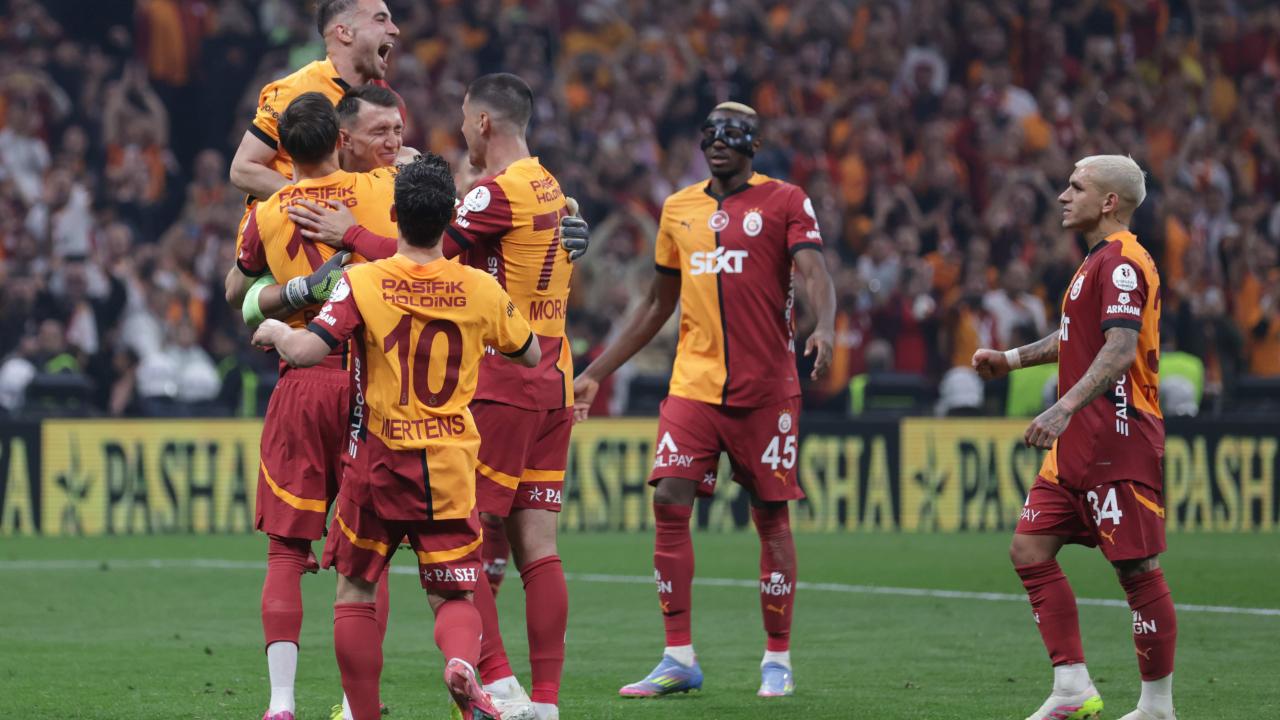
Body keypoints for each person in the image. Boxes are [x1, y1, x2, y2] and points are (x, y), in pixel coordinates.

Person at [282, 72, 587, 720]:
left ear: (483, 121)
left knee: (363, 585)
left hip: (435, 428)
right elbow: (527, 335)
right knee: (515, 560)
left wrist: (339, 248)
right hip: (523, 399)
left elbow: (412, 265)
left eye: (465, 117)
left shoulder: (390, 266)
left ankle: (480, 688)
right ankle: (527, 693)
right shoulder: (544, 193)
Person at [251, 152, 541, 720]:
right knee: (453, 593)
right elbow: (528, 353)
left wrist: (276, 332)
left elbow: (307, 351)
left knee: (356, 592)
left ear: (393, 214)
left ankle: (362, 713)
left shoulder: (363, 281)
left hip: (377, 463)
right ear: (450, 216)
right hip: (449, 466)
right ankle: (460, 662)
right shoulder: (480, 287)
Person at [573, 102, 837, 699]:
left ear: (754, 144)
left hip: (767, 390)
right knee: (669, 497)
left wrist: (824, 325)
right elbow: (656, 304)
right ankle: (678, 656)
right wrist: (596, 372)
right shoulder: (678, 208)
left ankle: (777, 658)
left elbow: (815, 272)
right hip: (693, 384)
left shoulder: (786, 201)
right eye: (711, 131)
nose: (719, 140)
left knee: (770, 516)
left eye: (733, 131)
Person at [972, 155, 1174, 720]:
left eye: (1076, 186)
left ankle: (1157, 707)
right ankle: (1071, 686)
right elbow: (1075, 336)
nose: (1063, 196)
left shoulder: (1124, 261)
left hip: (1118, 433)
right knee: (1029, 549)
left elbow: (1119, 348)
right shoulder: (1095, 260)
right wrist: (1011, 359)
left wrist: (1062, 407)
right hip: (1079, 443)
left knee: (1136, 569)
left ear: (1109, 202)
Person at [224, 91, 400, 720]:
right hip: (367, 377)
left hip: (299, 377)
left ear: (284, 151)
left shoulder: (266, 212)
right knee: (368, 555)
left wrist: (287, 291)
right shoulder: (378, 188)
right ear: (340, 140)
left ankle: (280, 703)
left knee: (284, 552)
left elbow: (240, 287)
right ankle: (356, 705)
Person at [229, 0, 400, 203]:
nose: (395, 29)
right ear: (345, 33)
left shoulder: (386, 100)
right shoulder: (298, 89)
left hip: (349, 219)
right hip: (286, 220)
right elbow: (243, 169)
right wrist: (313, 200)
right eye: (380, 20)